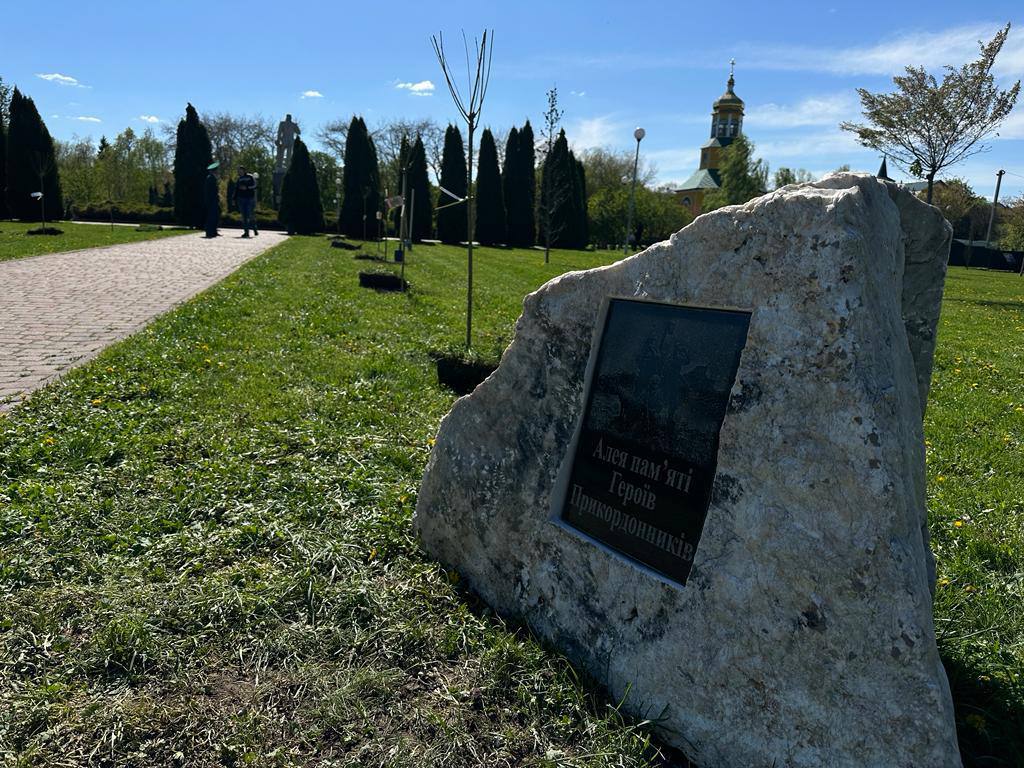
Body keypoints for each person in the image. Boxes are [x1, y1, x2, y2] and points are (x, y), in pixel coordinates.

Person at [233, 166, 258, 237]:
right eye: (238, 171)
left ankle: (254, 228)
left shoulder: (250, 177)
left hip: (249, 199)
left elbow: (255, 185)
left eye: (240, 170)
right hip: (241, 199)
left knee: (250, 215)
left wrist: (247, 188)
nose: (239, 172)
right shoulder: (239, 179)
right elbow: (236, 189)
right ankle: (246, 232)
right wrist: (234, 199)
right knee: (244, 216)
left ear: (244, 170)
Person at [204, 161, 220, 238]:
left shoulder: (211, 178)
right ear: (214, 171)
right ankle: (210, 232)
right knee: (212, 216)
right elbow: (211, 191)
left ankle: (213, 231)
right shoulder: (211, 178)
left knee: (214, 216)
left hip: (212, 200)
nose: (217, 172)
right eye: (216, 170)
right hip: (212, 200)